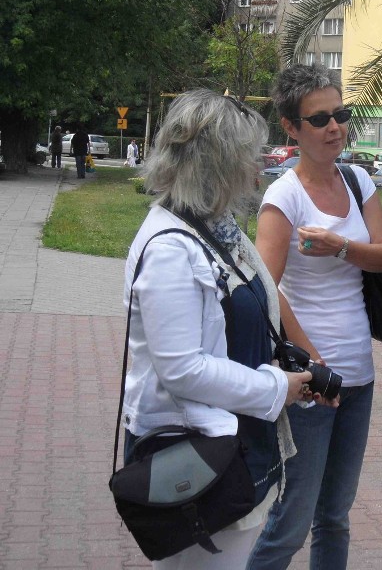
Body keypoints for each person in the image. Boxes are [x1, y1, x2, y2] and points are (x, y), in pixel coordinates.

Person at [122, 89, 319, 569]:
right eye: (248, 159)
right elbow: (182, 369)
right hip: (194, 456)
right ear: (217, 164)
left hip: (231, 444)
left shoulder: (215, 227)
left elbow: (249, 315)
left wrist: (293, 368)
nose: (258, 173)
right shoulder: (172, 247)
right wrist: (277, 386)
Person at [248, 63, 382, 570]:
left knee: (335, 515)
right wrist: (312, 366)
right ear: (291, 128)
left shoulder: (358, 181)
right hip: (311, 383)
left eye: (340, 114)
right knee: (293, 519)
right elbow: (264, 290)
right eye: (320, 119)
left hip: (359, 374)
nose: (335, 126)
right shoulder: (283, 196)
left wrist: (340, 248)